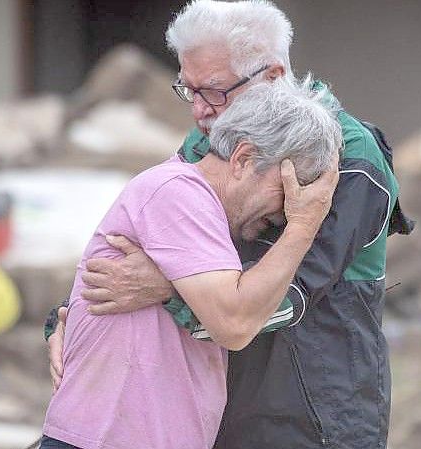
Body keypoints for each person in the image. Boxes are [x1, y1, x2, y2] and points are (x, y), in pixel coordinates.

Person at [44, 1, 414, 448]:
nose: (200, 110)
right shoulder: (209, 143)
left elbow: (287, 293)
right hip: (221, 408)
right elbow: (145, 236)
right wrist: (74, 312)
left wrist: (168, 286)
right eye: (189, 90)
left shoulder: (347, 159)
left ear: (274, 77)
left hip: (317, 416)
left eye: (215, 91)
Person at [39, 80, 342, 449]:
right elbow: (234, 322)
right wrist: (304, 224)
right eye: (287, 190)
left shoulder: (200, 208)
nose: (286, 210)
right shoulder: (178, 194)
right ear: (244, 159)